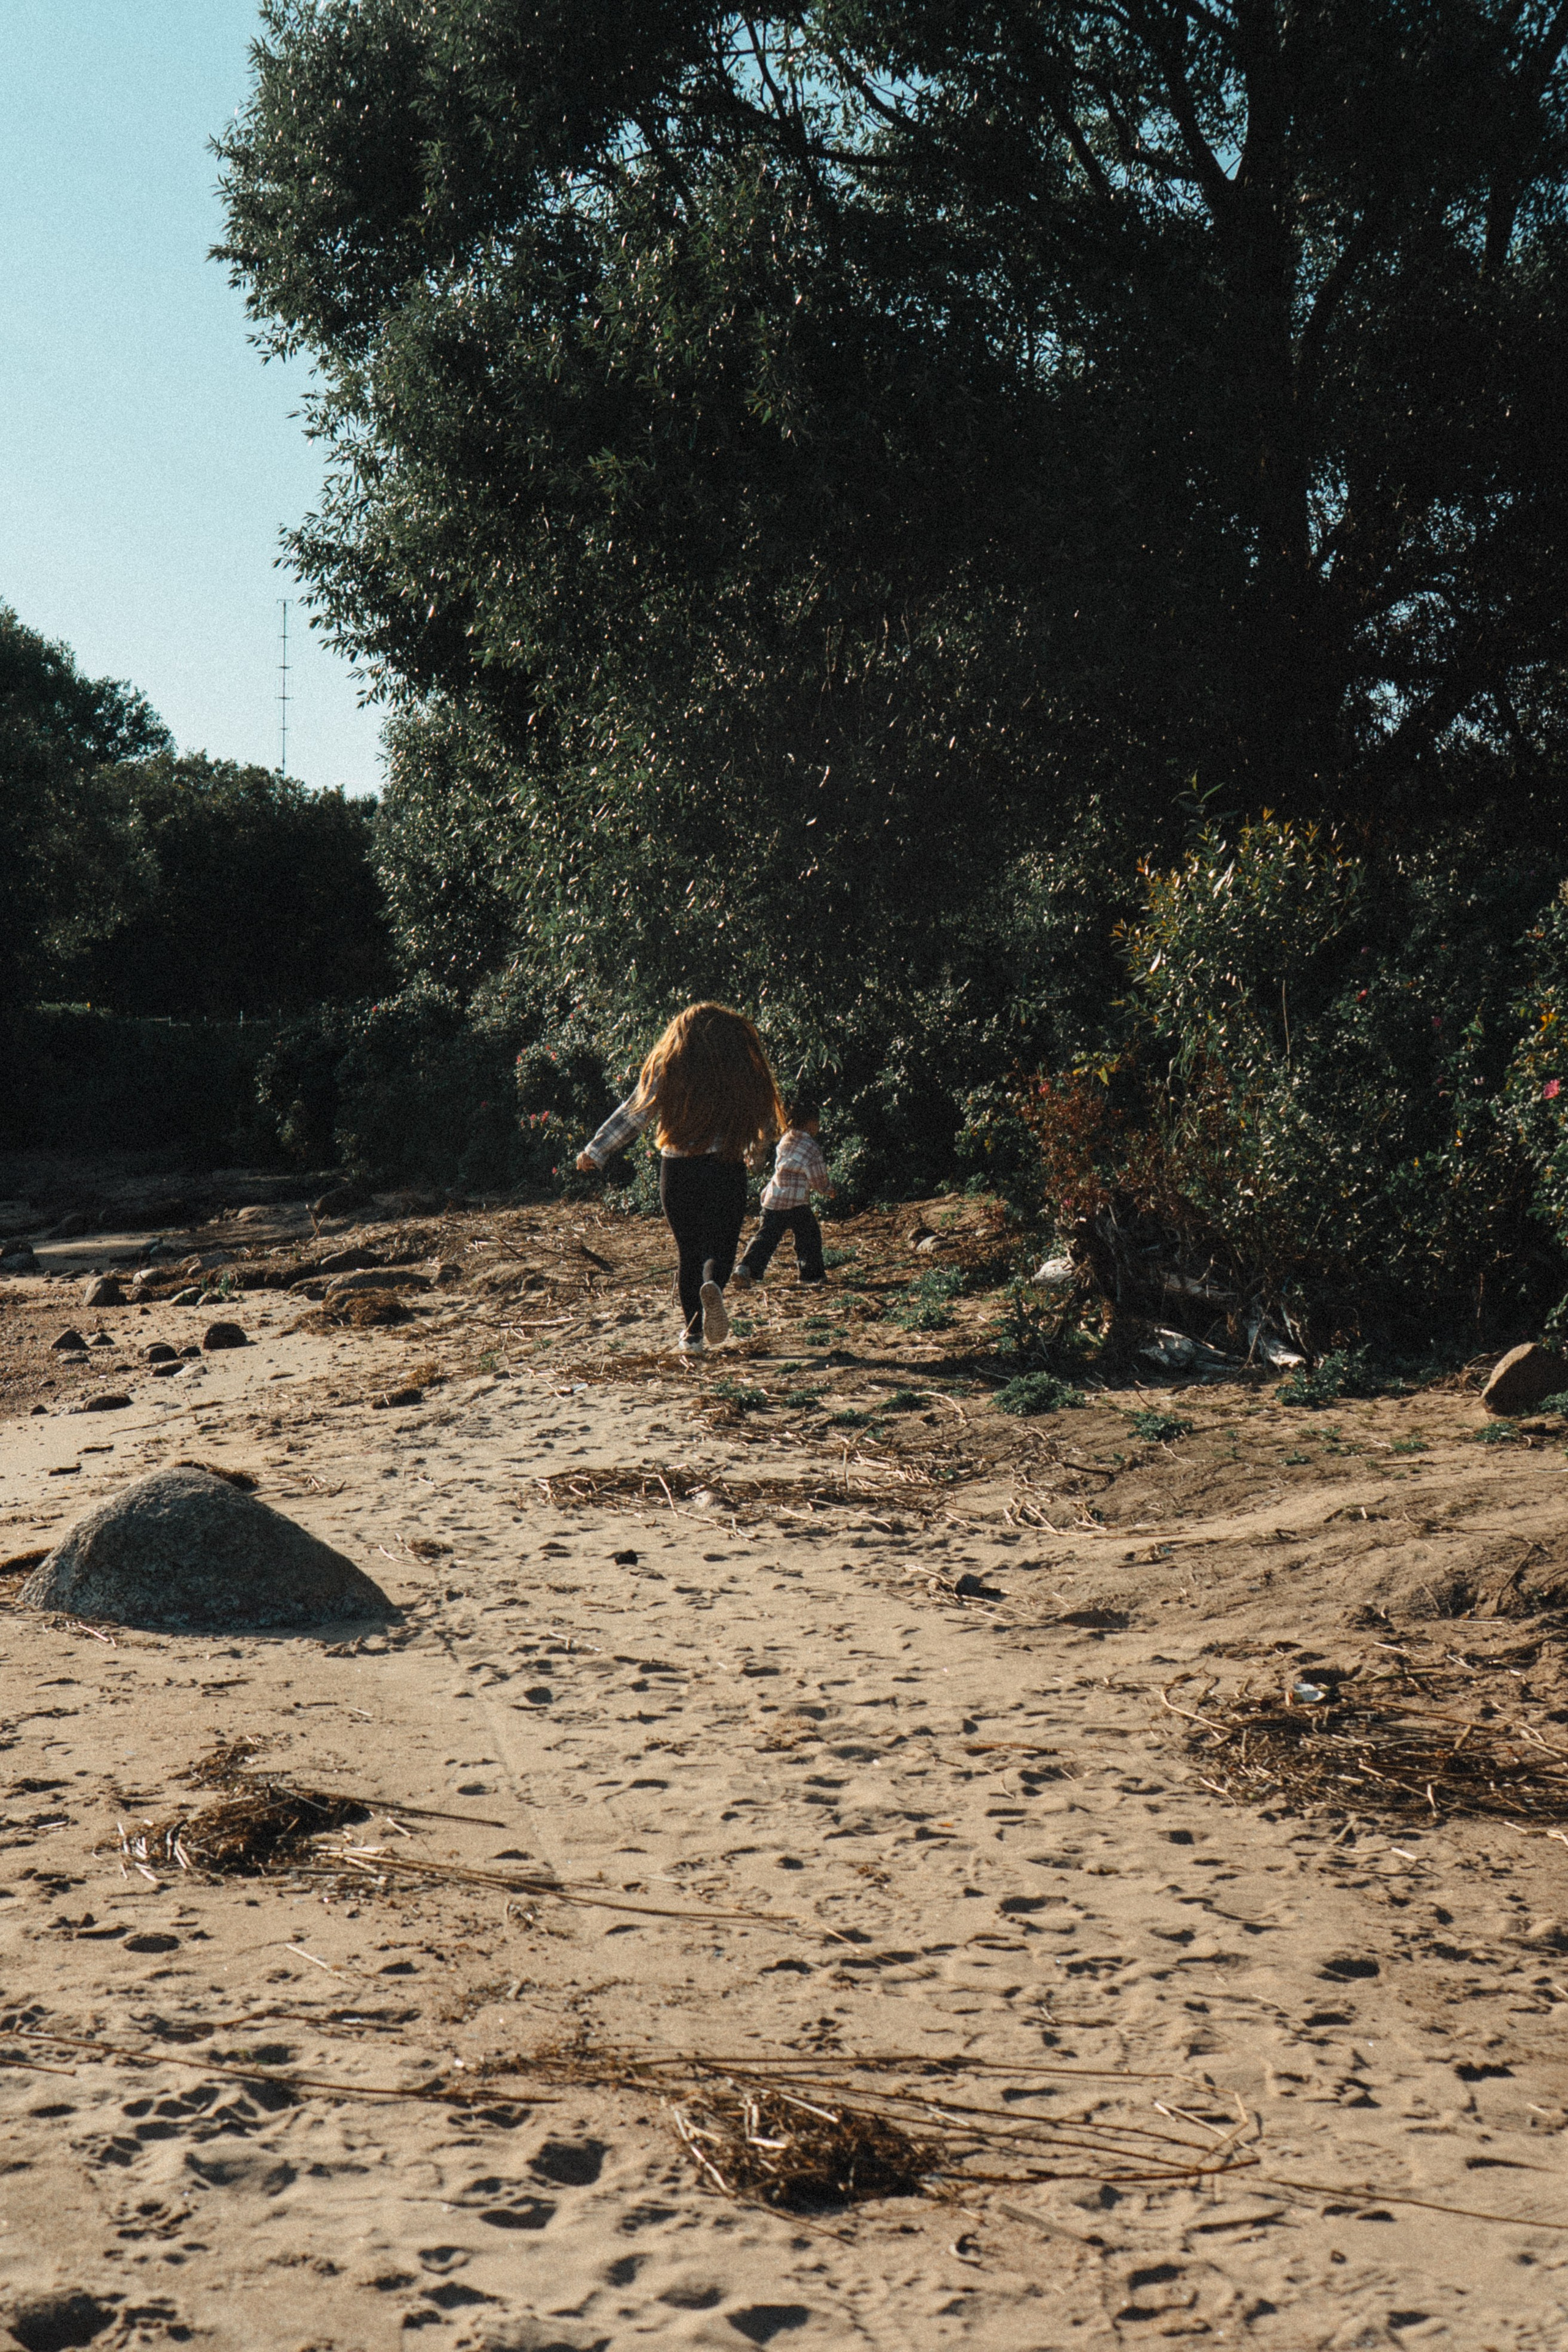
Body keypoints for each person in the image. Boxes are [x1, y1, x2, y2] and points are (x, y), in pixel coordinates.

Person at [574, 1002, 785, 1352]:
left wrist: (596, 1152)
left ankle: (693, 1335)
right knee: (720, 1246)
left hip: (678, 1171)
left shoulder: (669, 1065)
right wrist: (755, 1156)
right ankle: (714, 1287)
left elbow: (634, 1113)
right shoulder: (737, 1070)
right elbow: (764, 1118)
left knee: (688, 1251)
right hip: (725, 1167)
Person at [731, 1098, 835, 1291]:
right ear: (811, 1123)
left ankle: (744, 1268)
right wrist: (827, 1189)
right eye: (818, 1122)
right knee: (809, 1236)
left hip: (774, 1199)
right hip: (796, 1203)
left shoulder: (785, 1140)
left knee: (766, 1237)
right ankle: (811, 1275)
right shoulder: (811, 1147)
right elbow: (817, 1176)